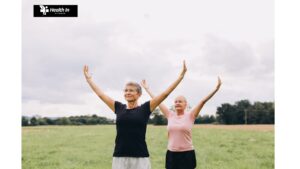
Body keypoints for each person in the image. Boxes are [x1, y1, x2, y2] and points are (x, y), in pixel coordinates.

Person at [83, 61, 187, 169]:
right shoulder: (118, 107)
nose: (128, 92)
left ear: (139, 94)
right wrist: (89, 80)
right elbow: (101, 95)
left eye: (131, 91)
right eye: (126, 90)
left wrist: (180, 77)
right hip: (120, 156)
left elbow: (165, 94)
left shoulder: (145, 108)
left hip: (140, 157)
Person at [141, 77, 222, 169]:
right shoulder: (170, 115)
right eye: (175, 102)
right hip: (172, 153)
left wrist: (216, 89)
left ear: (185, 104)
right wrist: (147, 89)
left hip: (187, 153)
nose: (177, 103)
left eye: (180, 101)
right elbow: (157, 100)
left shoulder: (191, 115)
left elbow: (203, 101)